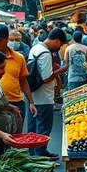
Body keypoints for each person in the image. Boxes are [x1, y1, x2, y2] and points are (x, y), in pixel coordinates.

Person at [27, 28, 67, 159]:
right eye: (60, 44)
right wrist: (62, 70)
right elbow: (46, 77)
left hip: (34, 95)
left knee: (33, 127)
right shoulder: (45, 53)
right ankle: (40, 154)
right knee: (43, 127)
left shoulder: (35, 47)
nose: (59, 47)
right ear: (56, 41)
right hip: (43, 97)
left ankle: (33, 153)